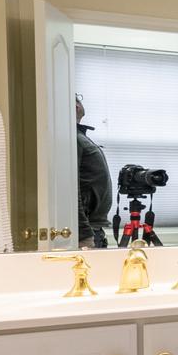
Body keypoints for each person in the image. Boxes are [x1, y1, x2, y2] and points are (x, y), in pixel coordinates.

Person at [75, 96, 111, 249]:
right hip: (86, 230)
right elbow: (71, 189)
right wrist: (84, 234)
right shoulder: (71, 138)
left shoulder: (79, 136)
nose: (79, 103)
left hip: (93, 227)